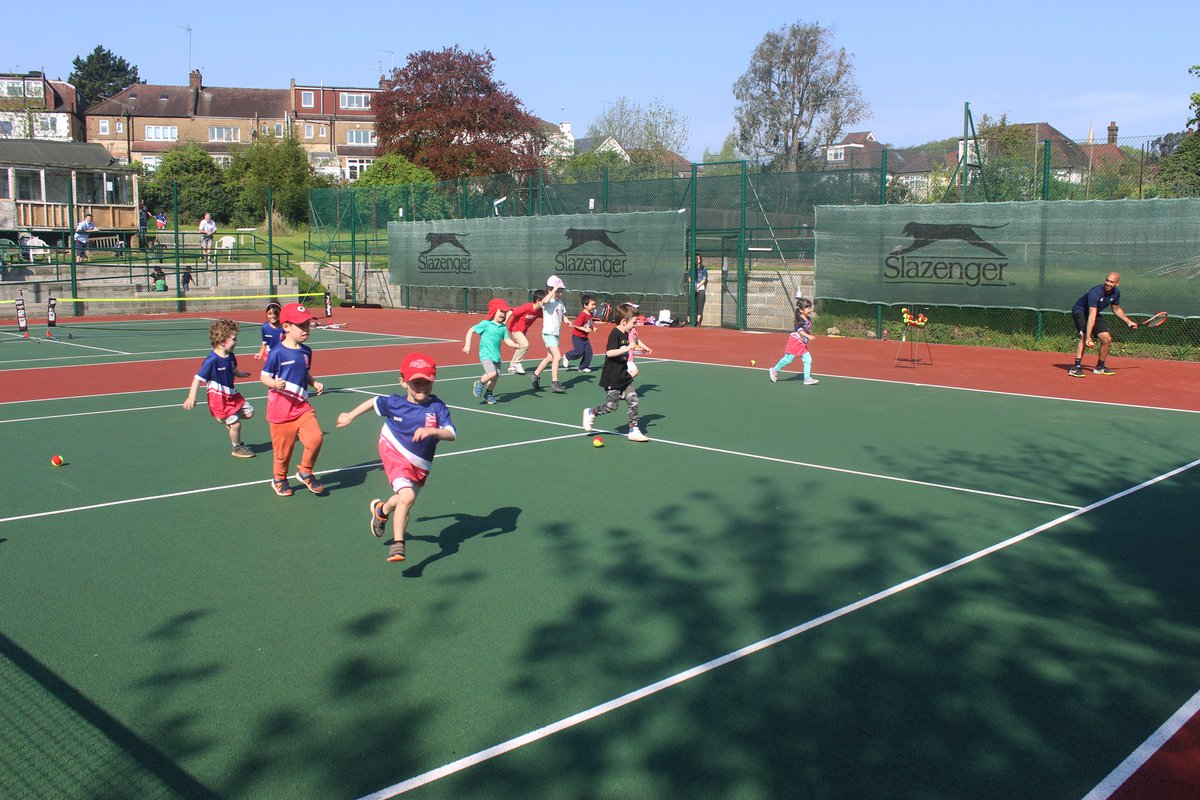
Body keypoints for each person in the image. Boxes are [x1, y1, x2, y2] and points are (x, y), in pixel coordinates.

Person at [337, 352, 456, 563]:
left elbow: (451, 434)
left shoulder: (437, 407)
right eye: (415, 383)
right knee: (407, 497)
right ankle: (398, 545)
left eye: (426, 383)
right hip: (393, 449)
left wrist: (433, 432)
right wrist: (350, 415)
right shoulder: (394, 403)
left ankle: (381, 510)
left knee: (403, 500)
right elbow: (374, 401)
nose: (421, 388)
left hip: (420, 462)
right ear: (403, 382)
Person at [259, 302, 325, 497]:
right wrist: (273, 384)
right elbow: (264, 376)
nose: (307, 329)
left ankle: (305, 471)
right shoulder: (277, 353)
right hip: (280, 411)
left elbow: (304, 372)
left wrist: (313, 382)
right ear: (286, 327)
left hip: (301, 407)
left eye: (308, 325)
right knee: (283, 453)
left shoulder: (306, 351)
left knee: (316, 438)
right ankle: (279, 479)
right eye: (301, 325)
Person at [182, 319, 256, 458]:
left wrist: (240, 374)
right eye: (234, 339)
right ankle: (237, 447)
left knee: (250, 413)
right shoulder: (212, 360)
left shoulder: (231, 355)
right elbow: (198, 378)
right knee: (236, 425)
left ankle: (225, 418)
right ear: (222, 341)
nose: (237, 341)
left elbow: (233, 369)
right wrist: (192, 396)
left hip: (231, 395)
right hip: (219, 400)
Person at [582, 303, 650, 442]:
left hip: (623, 376)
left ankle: (634, 430)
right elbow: (610, 353)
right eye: (633, 322)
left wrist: (640, 348)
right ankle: (591, 412)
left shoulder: (626, 333)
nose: (635, 325)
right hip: (612, 377)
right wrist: (627, 349)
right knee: (612, 406)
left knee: (634, 400)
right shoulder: (615, 334)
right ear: (624, 321)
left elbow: (629, 346)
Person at [1069, 271, 1138, 377]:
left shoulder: (1116, 293)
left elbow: (1116, 309)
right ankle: (1076, 367)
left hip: (1094, 313)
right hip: (1081, 311)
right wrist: (1088, 337)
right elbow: (1092, 315)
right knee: (1084, 336)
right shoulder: (1095, 292)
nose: (1108, 284)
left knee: (1107, 339)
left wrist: (1128, 322)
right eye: (1107, 280)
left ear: (1117, 284)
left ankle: (1100, 367)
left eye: (1112, 282)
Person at [464, 298, 517, 405]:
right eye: (500, 311)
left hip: (496, 356)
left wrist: (514, 345)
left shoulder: (503, 328)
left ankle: (489, 393)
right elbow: (471, 330)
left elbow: (507, 340)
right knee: (492, 373)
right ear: (494, 312)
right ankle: (479, 383)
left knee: (496, 376)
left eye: (504, 312)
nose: (503, 314)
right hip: (485, 355)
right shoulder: (485, 324)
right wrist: (467, 345)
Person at [530, 276, 568, 393]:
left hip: (555, 334)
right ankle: (555, 382)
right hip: (548, 333)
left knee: (550, 357)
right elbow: (545, 301)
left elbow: (562, 314)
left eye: (561, 291)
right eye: (558, 291)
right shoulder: (547, 301)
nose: (560, 293)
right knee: (557, 357)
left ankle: (535, 375)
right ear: (550, 290)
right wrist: (553, 290)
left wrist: (566, 320)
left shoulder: (560, 302)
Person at [768, 298, 819, 385]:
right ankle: (774, 370)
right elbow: (800, 331)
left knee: (808, 359)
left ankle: (807, 379)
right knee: (788, 360)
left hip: (802, 343)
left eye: (810, 308)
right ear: (801, 310)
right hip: (795, 342)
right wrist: (808, 336)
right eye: (808, 308)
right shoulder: (799, 320)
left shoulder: (808, 318)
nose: (810, 310)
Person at [505, 289, 545, 374]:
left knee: (520, 346)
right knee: (525, 344)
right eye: (544, 301)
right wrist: (504, 323)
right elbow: (511, 311)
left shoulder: (539, 311)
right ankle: (517, 363)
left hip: (523, 330)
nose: (546, 302)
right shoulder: (527, 307)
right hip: (515, 328)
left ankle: (512, 366)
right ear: (538, 301)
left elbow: (548, 315)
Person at [563, 294, 598, 373]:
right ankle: (567, 356)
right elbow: (576, 325)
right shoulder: (582, 315)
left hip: (585, 338)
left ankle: (583, 367)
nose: (594, 306)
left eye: (595, 304)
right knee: (578, 352)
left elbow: (589, 323)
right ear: (585, 305)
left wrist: (593, 328)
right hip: (577, 337)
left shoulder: (591, 314)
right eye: (592, 305)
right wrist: (585, 329)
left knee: (589, 353)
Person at [693, 254, 709, 326]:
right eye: (695, 258)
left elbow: (704, 279)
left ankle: (698, 321)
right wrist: (694, 285)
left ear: (700, 259)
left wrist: (698, 285)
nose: (696, 260)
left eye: (698, 258)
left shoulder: (703, 269)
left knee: (700, 305)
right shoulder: (692, 268)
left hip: (701, 287)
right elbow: (690, 278)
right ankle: (689, 320)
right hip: (693, 287)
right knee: (692, 304)